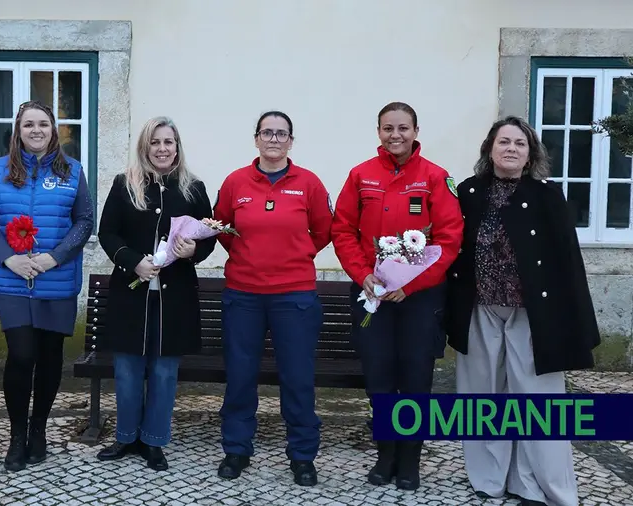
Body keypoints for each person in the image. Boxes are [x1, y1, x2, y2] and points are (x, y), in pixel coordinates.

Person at [445, 116, 600, 506]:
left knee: (537, 401)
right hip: (479, 308)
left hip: (533, 314)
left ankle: (538, 485)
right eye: (504, 142)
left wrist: (575, 323)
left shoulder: (548, 196)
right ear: (490, 149)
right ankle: (489, 478)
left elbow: (568, 261)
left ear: (531, 153)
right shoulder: (468, 191)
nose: (511, 148)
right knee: (481, 397)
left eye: (520, 143)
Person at [330, 102, 463, 490]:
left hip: (419, 299)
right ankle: (385, 455)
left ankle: (410, 461)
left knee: (416, 379)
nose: (395, 136)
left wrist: (412, 284)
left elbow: (449, 241)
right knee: (380, 378)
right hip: (374, 296)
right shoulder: (361, 176)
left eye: (403, 128)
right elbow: (343, 231)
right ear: (378, 132)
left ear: (416, 130)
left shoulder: (436, 178)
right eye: (388, 128)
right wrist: (362, 274)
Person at [213, 110, 333, 486]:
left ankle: (302, 456)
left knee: (297, 378)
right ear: (256, 139)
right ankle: (236, 450)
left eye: (282, 134)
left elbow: (324, 230)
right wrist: (249, 256)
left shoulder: (309, 183)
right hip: (243, 294)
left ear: (291, 141)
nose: (274, 139)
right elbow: (221, 227)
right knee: (240, 376)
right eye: (268, 133)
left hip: (294, 296)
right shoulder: (235, 182)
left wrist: (296, 254)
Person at [0, 101, 94, 472]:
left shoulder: (72, 171)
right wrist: (7, 258)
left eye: (43, 124)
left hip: (55, 280)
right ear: (18, 130)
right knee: (21, 355)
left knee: (48, 359)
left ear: (53, 129)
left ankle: (38, 431)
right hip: (13, 280)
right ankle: (16, 435)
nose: (36, 130)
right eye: (28, 124)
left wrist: (54, 258)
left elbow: (84, 221)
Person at [96, 117, 216, 471]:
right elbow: (108, 234)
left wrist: (193, 249)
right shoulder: (124, 185)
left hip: (174, 297)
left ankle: (153, 441)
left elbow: (208, 239)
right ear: (145, 147)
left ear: (178, 147)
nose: (162, 149)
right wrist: (133, 263)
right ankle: (126, 436)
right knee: (128, 370)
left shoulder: (194, 188)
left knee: (164, 372)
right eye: (155, 142)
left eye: (169, 142)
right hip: (130, 296)